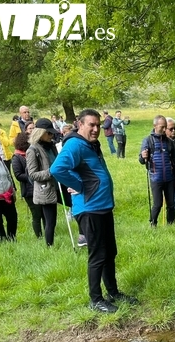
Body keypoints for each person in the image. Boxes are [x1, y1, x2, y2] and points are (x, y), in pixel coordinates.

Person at [50, 108, 136, 313]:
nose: (96, 129)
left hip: (102, 206)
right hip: (89, 209)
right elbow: (57, 169)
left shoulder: (91, 144)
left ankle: (113, 292)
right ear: (80, 124)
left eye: (98, 125)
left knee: (109, 252)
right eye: (91, 125)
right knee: (98, 254)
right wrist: (79, 185)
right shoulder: (74, 145)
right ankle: (95, 299)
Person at [139, 115, 175, 227]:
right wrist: (143, 156)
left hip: (170, 178)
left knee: (171, 204)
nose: (164, 130)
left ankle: (171, 225)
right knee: (157, 204)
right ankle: (153, 224)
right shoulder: (148, 140)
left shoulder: (169, 142)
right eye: (162, 127)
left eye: (165, 127)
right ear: (155, 126)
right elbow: (142, 160)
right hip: (156, 178)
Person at [27, 118, 61, 247]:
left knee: (77, 205)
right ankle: (49, 246)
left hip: (60, 185)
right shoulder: (32, 150)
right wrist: (51, 171)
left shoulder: (52, 146)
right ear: (41, 133)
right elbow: (33, 174)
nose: (52, 135)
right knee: (51, 221)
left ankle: (83, 235)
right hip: (46, 189)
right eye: (49, 133)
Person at [11, 131, 43, 239]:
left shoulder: (33, 152)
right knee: (36, 214)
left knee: (44, 213)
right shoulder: (16, 157)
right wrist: (32, 176)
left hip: (38, 187)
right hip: (29, 191)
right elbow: (18, 175)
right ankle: (39, 236)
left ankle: (48, 231)